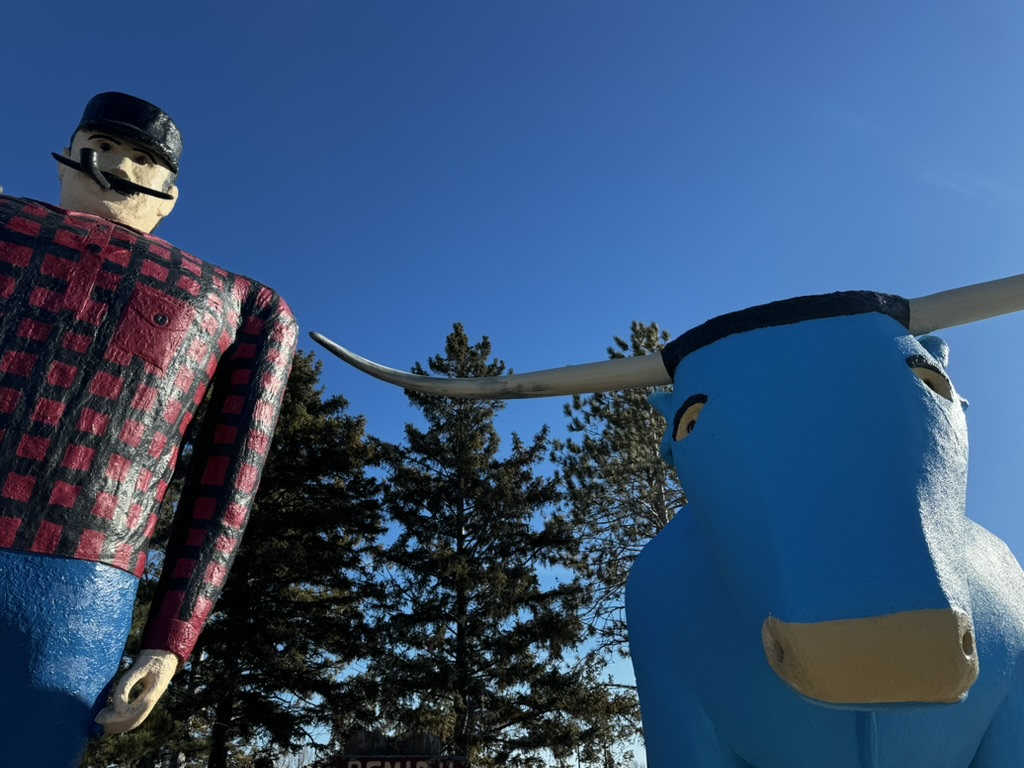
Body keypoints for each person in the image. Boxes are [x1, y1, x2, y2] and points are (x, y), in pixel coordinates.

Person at [0, 92, 298, 765]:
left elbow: (227, 483)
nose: (115, 166)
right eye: (101, 147)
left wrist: (171, 638)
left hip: (79, 584)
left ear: (168, 196)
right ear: (67, 160)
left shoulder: (244, 304)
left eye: (140, 159)